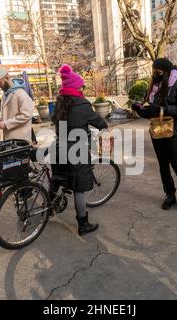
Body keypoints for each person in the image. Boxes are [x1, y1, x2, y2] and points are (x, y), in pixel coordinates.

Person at [132, 58, 177, 215]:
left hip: (173, 131)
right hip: (157, 131)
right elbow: (151, 111)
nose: (155, 75)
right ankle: (170, 195)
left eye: (158, 72)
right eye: (154, 72)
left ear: (167, 72)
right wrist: (140, 109)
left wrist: (161, 109)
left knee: (176, 164)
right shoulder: (153, 87)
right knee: (163, 165)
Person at [50, 64, 108, 236]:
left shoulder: (60, 102)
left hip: (58, 147)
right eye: (81, 86)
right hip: (76, 150)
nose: (83, 89)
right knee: (78, 189)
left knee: (57, 179)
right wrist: (104, 128)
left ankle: (48, 208)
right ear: (76, 87)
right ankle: (83, 225)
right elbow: (98, 122)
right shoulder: (82, 104)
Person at [0, 68, 34, 142]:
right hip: (10, 139)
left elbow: (26, 115)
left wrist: (6, 124)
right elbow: (7, 112)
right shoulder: (5, 94)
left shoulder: (21, 94)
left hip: (21, 139)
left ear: (7, 78)